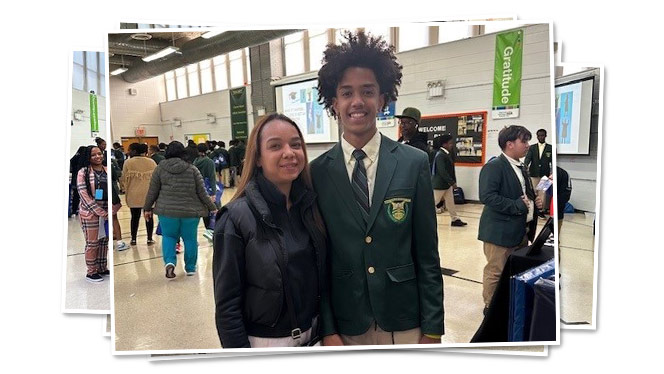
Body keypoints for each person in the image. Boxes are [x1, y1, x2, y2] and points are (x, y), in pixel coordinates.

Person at [310, 31, 443, 346]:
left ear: (382, 99)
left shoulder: (413, 163)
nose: (357, 102)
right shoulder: (316, 173)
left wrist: (433, 327)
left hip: (404, 317)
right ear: (334, 103)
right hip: (347, 322)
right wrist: (327, 329)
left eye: (367, 91)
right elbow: (320, 260)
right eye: (346, 93)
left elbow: (427, 253)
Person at [212, 113, 328, 348]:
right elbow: (227, 307)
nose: (289, 153)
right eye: (275, 146)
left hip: (316, 336)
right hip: (267, 343)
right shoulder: (235, 218)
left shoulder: (309, 207)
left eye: (296, 145)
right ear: (258, 158)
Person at [477, 125, 540, 314]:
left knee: (514, 269)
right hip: (500, 231)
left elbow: (522, 193)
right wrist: (516, 205)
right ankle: (491, 306)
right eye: (524, 141)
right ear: (510, 144)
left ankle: (508, 302)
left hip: (520, 229)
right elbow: (487, 196)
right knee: (496, 271)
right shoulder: (494, 166)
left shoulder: (520, 166)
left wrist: (533, 200)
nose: (528, 145)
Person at [144, 141, 218, 279]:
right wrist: (213, 208)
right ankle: (190, 268)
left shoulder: (160, 168)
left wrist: (147, 208)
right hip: (190, 212)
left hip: (167, 212)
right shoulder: (192, 169)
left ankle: (170, 263)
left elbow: (152, 191)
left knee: (169, 237)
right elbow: (202, 192)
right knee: (190, 239)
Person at [76, 145, 109, 282]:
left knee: (104, 241)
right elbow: (83, 194)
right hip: (90, 213)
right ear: (88, 158)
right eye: (93, 155)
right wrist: (99, 211)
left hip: (106, 212)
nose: (98, 157)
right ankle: (91, 271)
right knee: (92, 242)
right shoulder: (83, 172)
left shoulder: (106, 170)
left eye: (99, 154)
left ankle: (102, 267)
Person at [121, 143, 157, 246]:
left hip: (133, 194)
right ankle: (149, 239)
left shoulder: (128, 163)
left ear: (134, 151)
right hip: (148, 194)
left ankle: (133, 239)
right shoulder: (151, 162)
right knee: (149, 217)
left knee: (134, 217)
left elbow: (123, 178)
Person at [432, 134, 467, 226]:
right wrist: (452, 182)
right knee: (432, 203)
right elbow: (442, 171)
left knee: (450, 203)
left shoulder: (446, 154)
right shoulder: (440, 155)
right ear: (444, 145)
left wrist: (451, 182)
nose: (452, 145)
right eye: (450, 143)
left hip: (446, 185)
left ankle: (455, 219)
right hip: (439, 185)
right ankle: (421, 219)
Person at [524, 129, 553, 217]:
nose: (541, 137)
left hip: (545, 175)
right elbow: (527, 159)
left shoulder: (550, 148)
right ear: (537, 136)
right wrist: (525, 168)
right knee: (532, 191)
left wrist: (552, 173)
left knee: (542, 193)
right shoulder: (532, 148)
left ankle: (541, 210)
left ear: (545, 136)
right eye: (539, 135)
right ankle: (532, 209)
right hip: (533, 173)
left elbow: (553, 162)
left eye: (542, 135)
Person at [193, 143, 217, 229]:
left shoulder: (195, 161)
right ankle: (211, 232)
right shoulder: (209, 162)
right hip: (208, 189)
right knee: (212, 211)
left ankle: (208, 229)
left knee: (203, 212)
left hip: (198, 189)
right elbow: (212, 178)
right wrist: (214, 193)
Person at [111, 157, 129, 251]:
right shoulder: (110, 164)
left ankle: (117, 241)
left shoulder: (86, 171)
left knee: (112, 219)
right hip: (107, 197)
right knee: (113, 219)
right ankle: (118, 242)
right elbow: (116, 176)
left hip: (106, 198)